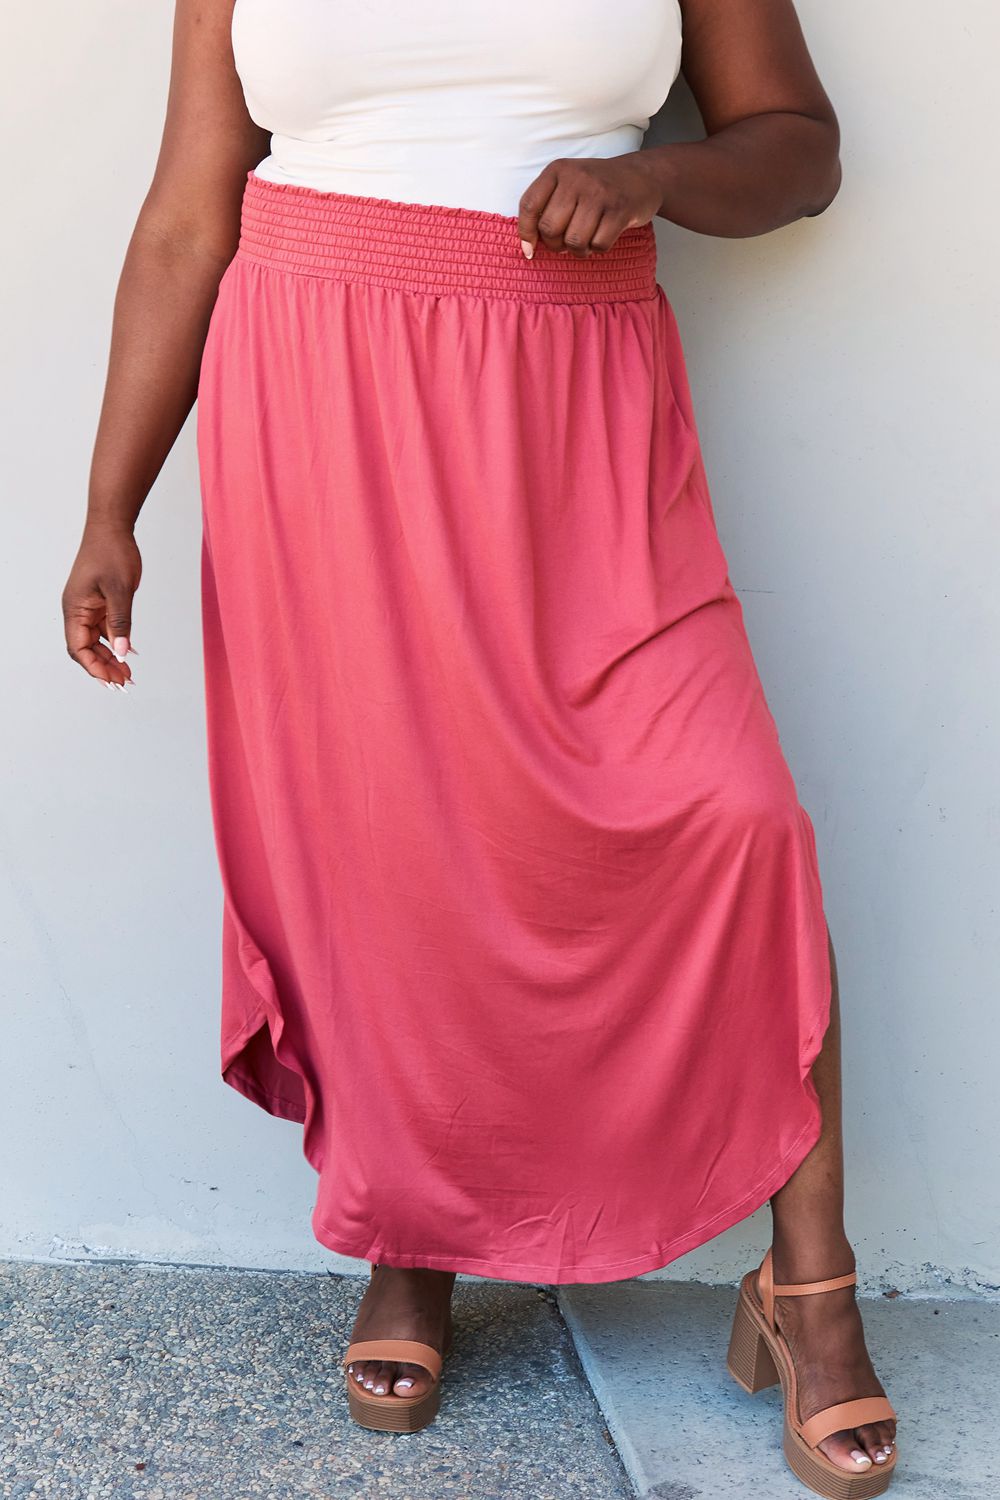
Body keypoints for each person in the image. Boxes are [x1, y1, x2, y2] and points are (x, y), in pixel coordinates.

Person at [61, 0, 897, 1491]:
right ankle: (414, 1239)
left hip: (574, 404)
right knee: (392, 850)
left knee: (736, 816)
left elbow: (801, 152)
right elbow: (192, 217)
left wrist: (652, 180)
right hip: (320, 399)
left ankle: (809, 1290)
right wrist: (111, 505)